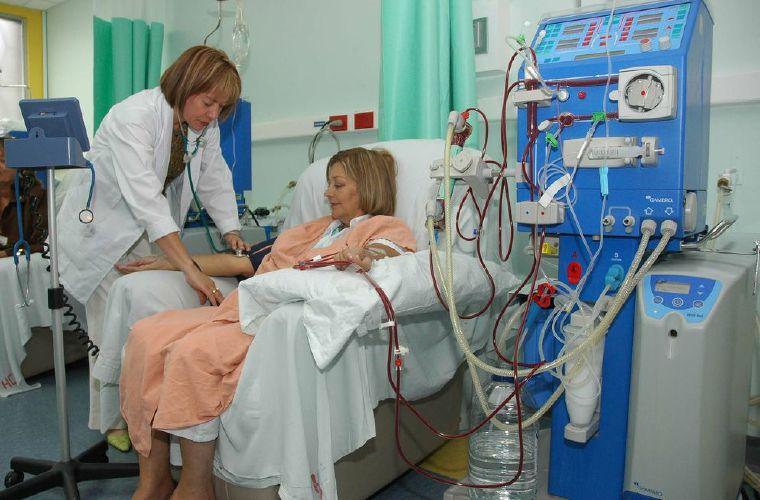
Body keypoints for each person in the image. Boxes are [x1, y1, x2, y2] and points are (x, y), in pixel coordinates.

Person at [119, 148, 416, 499]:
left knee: (192, 354)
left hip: (271, 322)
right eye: (328, 185)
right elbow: (241, 263)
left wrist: (365, 255)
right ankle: (154, 480)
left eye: (337, 185)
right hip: (240, 309)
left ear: (367, 187)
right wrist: (171, 263)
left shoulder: (383, 227)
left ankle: (195, 488)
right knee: (146, 335)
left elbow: (390, 253)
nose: (327, 193)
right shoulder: (311, 230)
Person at [55, 46, 250, 449]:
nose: (213, 114)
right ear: (185, 85)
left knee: (147, 324)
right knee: (109, 327)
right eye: (208, 102)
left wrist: (230, 229)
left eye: (221, 107)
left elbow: (214, 177)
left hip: (148, 232)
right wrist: (190, 268)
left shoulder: (202, 128)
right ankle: (113, 421)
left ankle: (148, 409)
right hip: (103, 233)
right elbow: (145, 198)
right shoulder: (134, 116)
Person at [0, 136, 48, 258]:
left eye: (2, 161)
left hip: (22, 265)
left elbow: (44, 246)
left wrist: (7, 253)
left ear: (20, 166)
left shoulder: (37, 196)